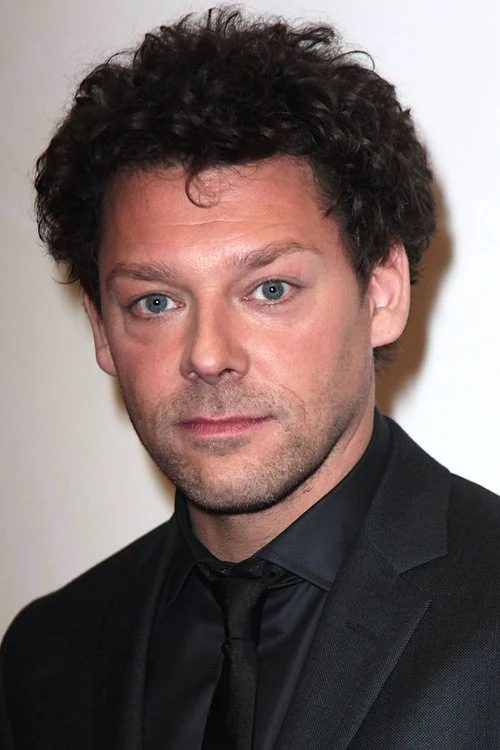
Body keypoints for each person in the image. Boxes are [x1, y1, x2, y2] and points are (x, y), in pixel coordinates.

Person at [1, 7, 499, 749]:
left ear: (381, 292)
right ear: (102, 329)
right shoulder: (45, 655)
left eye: (270, 289)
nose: (207, 355)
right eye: (155, 302)